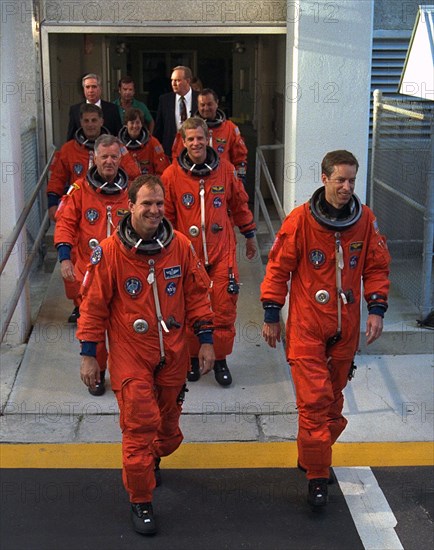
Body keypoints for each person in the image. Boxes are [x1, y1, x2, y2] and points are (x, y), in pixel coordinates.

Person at [76, 174, 215, 535]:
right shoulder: (108, 252)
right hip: (130, 355)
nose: (154, 211)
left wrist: (207, 340)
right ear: (131, 206)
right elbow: (92, 307)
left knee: (167, 434)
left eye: (159, 204)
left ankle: (154, 455)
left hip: (173, 352)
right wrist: (89, 354)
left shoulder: (180, 246)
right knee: (139, 426)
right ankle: (141, 500)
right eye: (146, 204)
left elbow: (198, 295)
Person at [260, 150, 391, 509]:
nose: (347, 187)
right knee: (315, 403)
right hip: (306, 328)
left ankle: (311, 456)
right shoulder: (300, 221)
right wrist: (272, 313)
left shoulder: (364, 221)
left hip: (344, 329)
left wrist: (376, 309)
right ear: (324, 179)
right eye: (340, 180)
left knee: (331, 406)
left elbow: (377, 267)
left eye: (352, 180)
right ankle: (318, 476)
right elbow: (278, 268)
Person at [161, 117, 257, 386]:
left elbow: (239, 204)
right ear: (182, 142)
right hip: (188, 254)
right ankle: (193, 357)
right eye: (190, 139)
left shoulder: (225, 170)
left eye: (200, 138)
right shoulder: (171, 175)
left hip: (221, 249)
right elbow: (166, 218)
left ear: (208, 139)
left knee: (224, 307)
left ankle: (221, 360)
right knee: (190, 307)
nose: (195, 143)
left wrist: (249, 235)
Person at [54, 135, 130, 394]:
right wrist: (65, 257)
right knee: (93, 326)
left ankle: (127, 376)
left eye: (114, 156)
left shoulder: (132, 192)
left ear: (121, 158)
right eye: (104, 156)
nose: (109, 161)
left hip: (124, 273)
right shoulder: (79, 191)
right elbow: (65, 223)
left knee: (125, 330)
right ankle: (97, 372)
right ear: (94, 158)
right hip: (90, 274)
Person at [48, 104, 140, 222]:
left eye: (94, 120)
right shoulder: (68, 149)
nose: (90, 125)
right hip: (78, 203)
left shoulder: (115, 147)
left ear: (101, 121)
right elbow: (57, 178)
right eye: (86, 121)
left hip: (110, 202)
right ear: (81, 122)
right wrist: (52, 204)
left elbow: (134, 174)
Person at [172, 88, 248, 185]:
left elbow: (240, 157)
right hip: (193, 180)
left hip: (223, 181)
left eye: (209, 104)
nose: (206, 108)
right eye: (202, 105)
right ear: (197, 106)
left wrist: (239, 179)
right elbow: (177, 157)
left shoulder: (230, 128)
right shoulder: (188, 128)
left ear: (217, 103)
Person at [154, 66, 199, 158]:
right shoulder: (165, 100)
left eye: (178, 80)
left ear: (188, 81)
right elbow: (159, 128)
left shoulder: (199, 99)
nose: (173, 84)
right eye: (172, 80)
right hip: (170, 152)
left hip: (195, 149)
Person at [67, 73, 122, 140]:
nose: (91, 90)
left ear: (100, 88)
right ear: (83, 89)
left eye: (94, 87)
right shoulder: (75, 110)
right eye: (87, 87)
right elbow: (71, 137)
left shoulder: (113, 109)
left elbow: (119, 136)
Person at [118, 108, 169, 176]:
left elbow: (162, 168)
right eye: (132, 123)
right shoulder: (119, 145)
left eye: (138, 122)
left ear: (142, 124)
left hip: (149, 182)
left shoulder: (153, 142)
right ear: (126, 124)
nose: (135, 126)